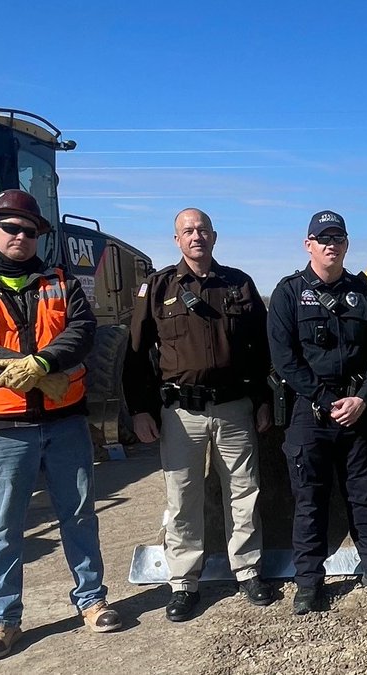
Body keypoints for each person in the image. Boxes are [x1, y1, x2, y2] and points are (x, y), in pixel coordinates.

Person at [0, 189, 122, 661]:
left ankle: (92, 600)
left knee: (79, 516)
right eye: (10, 228)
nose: (20, 236)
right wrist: (22, 368)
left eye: (29, 230)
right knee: (1, 527)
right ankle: (3, 618)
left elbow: (82, 332)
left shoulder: (60, 281)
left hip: (64, 422)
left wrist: (43, 361)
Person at [123, 208, 274, 622]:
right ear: (177, 240)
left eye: (202, 230)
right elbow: (135, 355)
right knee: (182, 498)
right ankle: (184, 582)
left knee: (244, 492)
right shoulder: (158, 288)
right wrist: (139, 410)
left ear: (214, 236)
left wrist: (263, 400)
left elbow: (261, 351)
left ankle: (248, 572)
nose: (196, 236)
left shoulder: (239, 284)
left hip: (234, 408)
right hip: (180, 413)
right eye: (188, 231)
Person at [267, 210, 367, 613]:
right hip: (309, 413)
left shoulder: (361, 293)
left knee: (362, 497)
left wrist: (363, 398)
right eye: (323, 239)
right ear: (308, 245)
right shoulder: (289, 293)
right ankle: (308, 582)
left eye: (338, 239)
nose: (331, 245)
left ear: (347, 245)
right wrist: (325, 400)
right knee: (309, 501)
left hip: (357, 412)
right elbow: (284, 359)